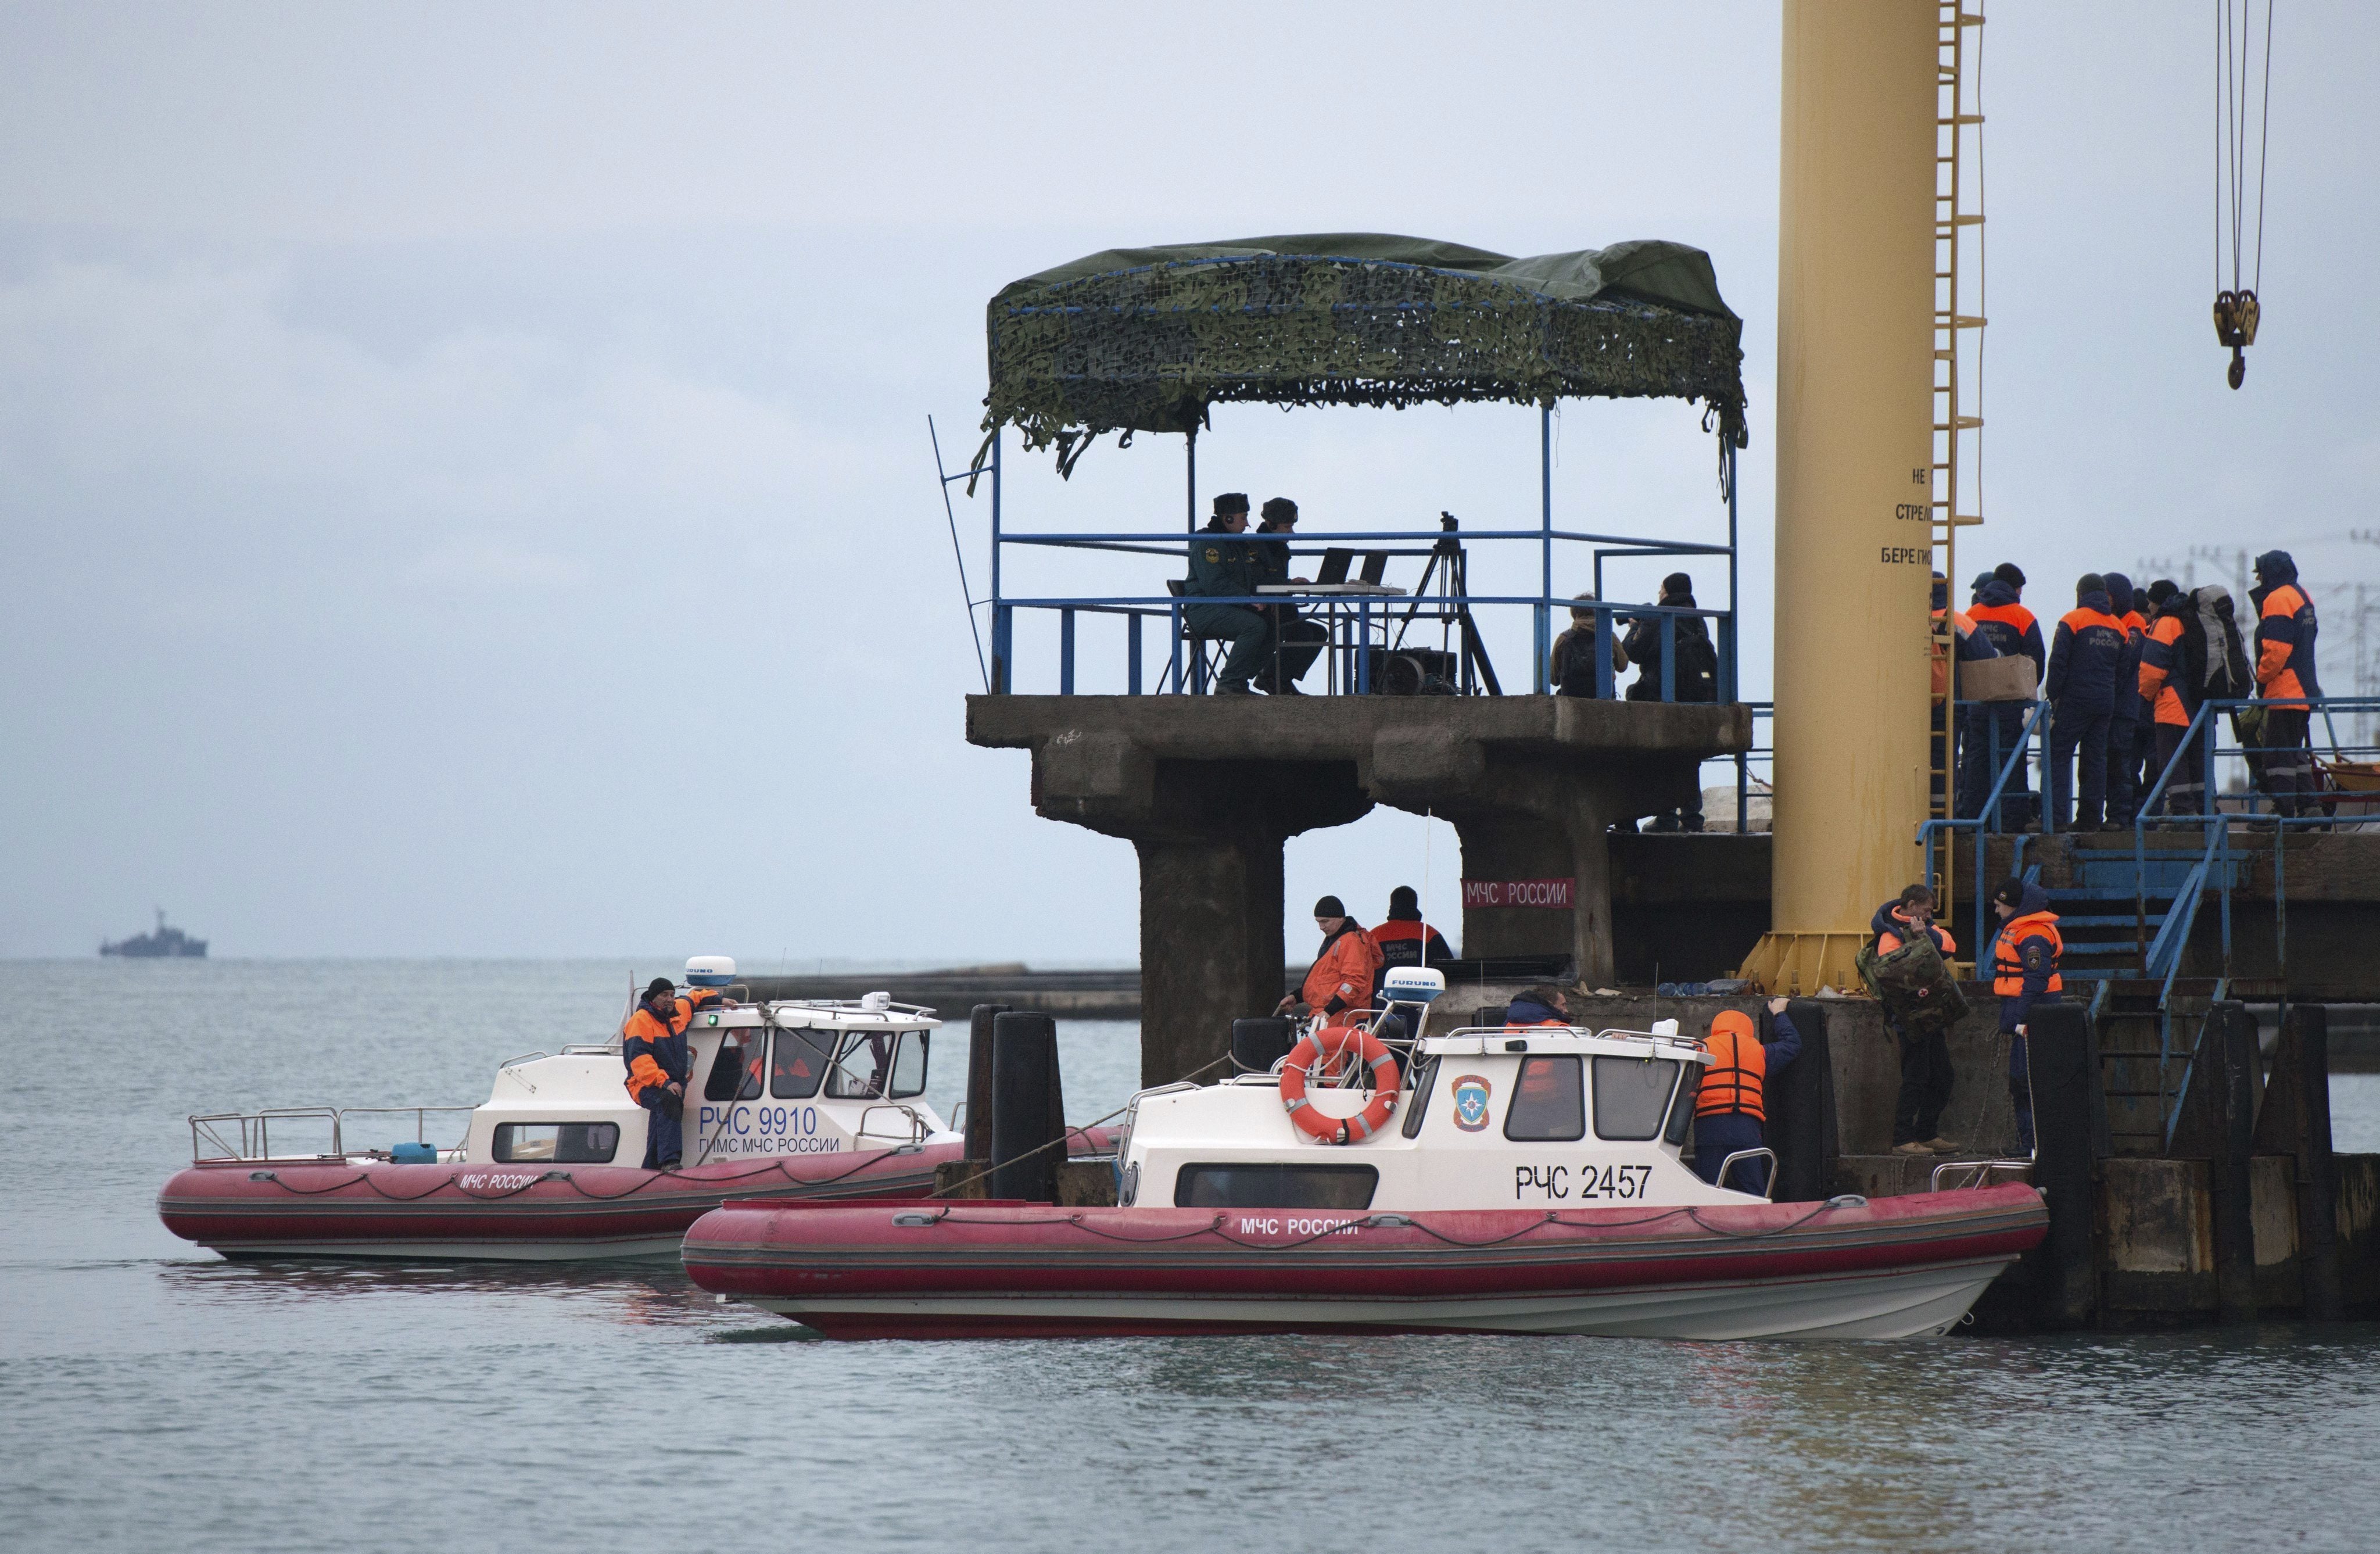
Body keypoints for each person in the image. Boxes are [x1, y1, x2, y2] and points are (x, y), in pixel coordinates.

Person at [1871, 885, 1962, 1158]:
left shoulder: (1929, 927)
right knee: (1915, 1078)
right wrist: (1919, 940)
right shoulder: (1888, 934)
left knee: (1943, 1076)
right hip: (1910, 1017)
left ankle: (1926, 1133)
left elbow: (1949, 947)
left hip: (1932, 1014)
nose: (1929, 913)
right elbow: (1900, 969)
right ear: (1910, 905)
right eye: (1926, 909)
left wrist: (1926, 935)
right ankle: (1902, 1137)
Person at [1623, 571, 1717, 831]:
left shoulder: (1659, 617)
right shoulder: (1697, 619)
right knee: (1689, 759)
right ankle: (1692, 819)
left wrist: (1634, 627)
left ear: (1667, 592)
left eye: (1661, 591)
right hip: (1696, 695)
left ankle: (1665, 817)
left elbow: (1633, 652)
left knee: (1663, 758)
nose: (1659, 595)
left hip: (1663, 695)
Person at [2044, 572, 2130, 830]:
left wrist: (2053, 695)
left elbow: (2058, 662)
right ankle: (2090, 819)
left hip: (2074, 699)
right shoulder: (2119, 627)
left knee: (2058, 755)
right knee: (2095, 760)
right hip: (2105, 701)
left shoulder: (2073, 620)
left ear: (2080, 594)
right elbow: (2123, 672)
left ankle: (2056, 819)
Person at [1962, 566, 2046, 822]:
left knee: (1976, 760)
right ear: (2016, 588)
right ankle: (2012, 819)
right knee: (2012, 760)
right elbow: (2037, 663)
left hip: (1976, 700)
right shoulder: (2023, 616)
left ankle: (1973, 818)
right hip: (2011, 702)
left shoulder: (1971, 614)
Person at [1693, 998, 1801, 1193]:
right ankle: (1758, 1221)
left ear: (1716, 1028)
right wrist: (1779, 1013)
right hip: (1747, 1128)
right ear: (1748, 1029)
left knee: (1706, 1190)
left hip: (1710, 1128)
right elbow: (1792, 1043)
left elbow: (1663, 1049)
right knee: (1753, 1191)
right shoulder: (1759, 1051)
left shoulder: (1700, 1048)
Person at [1990, 876, 2063, 1155]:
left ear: (2013, 905)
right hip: (2023, 1011)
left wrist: (2020, 1018)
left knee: (2027, 1080)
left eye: (2000, 905)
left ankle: (2033, 1144)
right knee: (2020, 1080)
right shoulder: (2017, 929)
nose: (1997, 911)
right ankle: (2029, 1142)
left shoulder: (2033, 935)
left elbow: (2036, 979)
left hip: (2035, 1013)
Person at [622, 976, 722, 1169]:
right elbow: (640, 1061)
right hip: (643, 1084)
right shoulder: (641, 1021)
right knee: (669, 1102)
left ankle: (650, 1168)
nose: (669, 999)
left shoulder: (678, 1012)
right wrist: (665, 1082)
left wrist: (719, 1000)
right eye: (664, 995)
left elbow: (694, 998)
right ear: (653, 998)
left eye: (672, 995)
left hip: (670, 1084)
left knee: (663, 1114)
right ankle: (671, 1161)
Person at [2250, 549, 2321, 817]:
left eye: (2260, 573)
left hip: (2285, 690)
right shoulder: (2301, 595)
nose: (2258, 579)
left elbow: (2277, 649)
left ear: (2271, 572)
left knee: (2278, 755)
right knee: (2294, 752)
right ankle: (2309, 806)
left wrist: (2262, 676)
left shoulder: (2278, 599)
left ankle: (2283, 811)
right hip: (2304, 688)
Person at [1182, 493, 1273, 696]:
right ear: (1228, 519)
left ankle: (1240, 680)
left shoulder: (1236, 544)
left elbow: (1255, 577)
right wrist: (1247, 601)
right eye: (1243, 518)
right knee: (1254, 626)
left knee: (1275, 624)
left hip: (1228, 607)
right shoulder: (1209, 544)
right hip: (1204, 610)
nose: (1248, 524)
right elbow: (1215, 585)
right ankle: (1229, 683)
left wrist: (1284, 585)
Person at [2137, 578, 2208, 819]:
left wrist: (2145, 696)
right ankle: (2204, 810)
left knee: (2172, 761)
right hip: (2200, 704)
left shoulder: (2166, 623)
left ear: (2158, 603)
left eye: (2150, 603)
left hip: (2173, 705)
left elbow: (2152, 669)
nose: (2149, 608)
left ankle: (2183, 812)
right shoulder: (2193, 619)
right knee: (2197, 762)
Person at [1934, 572, 1998, 817]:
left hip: (1907, 705)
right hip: (1948, 703)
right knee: (1945, 761)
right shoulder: (1957, 621)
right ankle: (1942, 815)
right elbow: (1986, 658)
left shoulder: (1904, 618)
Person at [1249, 497, 1327, 696]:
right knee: (1302, 634)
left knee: (1318, 633)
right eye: (1287, 526)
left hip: (1280, 605)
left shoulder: (1277, 547)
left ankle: (1280, 679)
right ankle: (1271, 678)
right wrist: (1288, 585)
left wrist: (1290, 584)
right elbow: (1256, 581)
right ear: (1271, 524)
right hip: (1260, 607)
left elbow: (1274, 578)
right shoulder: (1255, 546)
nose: (1291, 533)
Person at [1277, 895, 1385, 1023]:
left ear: (1340, 918)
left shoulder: (1351, 942)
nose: (1321, 927)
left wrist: (1328, 1012)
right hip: (1329, 1016)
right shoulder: (1336, 940)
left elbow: (1354, 983)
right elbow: (1326, 981)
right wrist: (1296, 996)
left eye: (1325, 921)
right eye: (1318, 922)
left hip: (1343, 1019)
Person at [2102, 572, 2149, 826]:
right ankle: (2120, 815)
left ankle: (2122, 817)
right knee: (2113, 763)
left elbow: (2128, 660)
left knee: (2122, 763)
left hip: (2125, 706)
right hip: (2113, 704)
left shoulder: (2134, 624)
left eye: (2108, 595)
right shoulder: (2114, 621)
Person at [1550, 591, 1629, 697]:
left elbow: (1553, 679)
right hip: (1603, 699)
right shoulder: (1609, 637)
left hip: (1570, 700)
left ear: (1575, 614)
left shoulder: (1564, 638)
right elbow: (1622, 666)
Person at [1370, 885, 1454, 969]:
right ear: (1415, 905)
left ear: (1391, 905)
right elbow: (1449, 970)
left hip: (1383, 983)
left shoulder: (1374, 936)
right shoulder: (1430, 934)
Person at [1505, 985, 1572, 1025]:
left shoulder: (1508, 1024)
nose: (1566, 1010)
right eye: (1563, 1005)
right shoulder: (1560, 1029)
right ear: (1550, 1004)